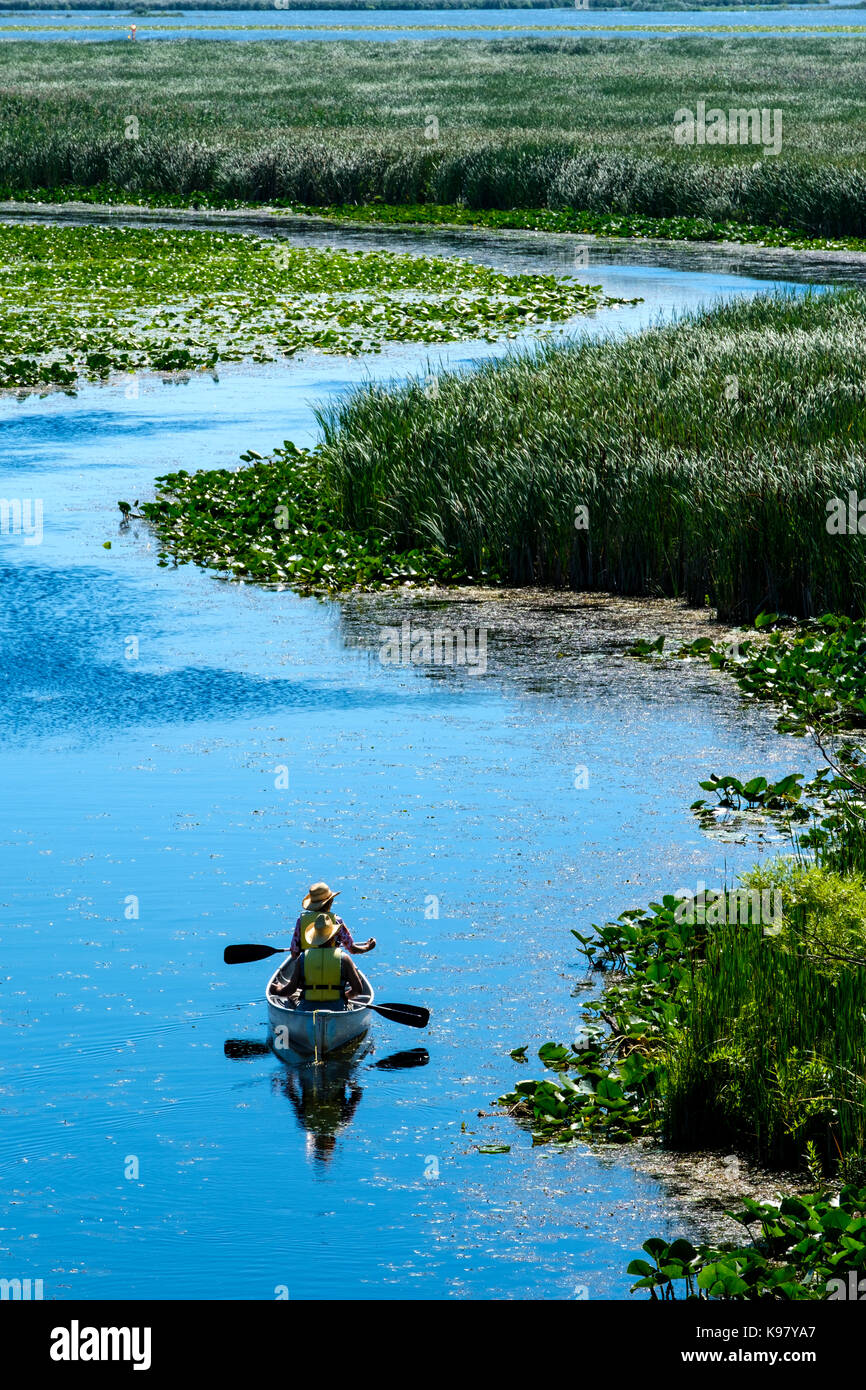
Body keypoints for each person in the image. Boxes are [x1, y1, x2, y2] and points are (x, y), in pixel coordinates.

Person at [272, 911, 367, 1011]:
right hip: (338, 1008)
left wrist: (277, 989)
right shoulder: (344, 958)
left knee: (294, 996)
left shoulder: (303, 958)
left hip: (307, 1009)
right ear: (333, 936)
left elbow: (289, 990)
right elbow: (358, 990)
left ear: (314, 937)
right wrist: (345, 996)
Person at [288, 881, 375, 960]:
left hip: (307, 966)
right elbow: (352, 949)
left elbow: (294, 952)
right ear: (330, 901)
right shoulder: (337, 921)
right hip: (332, 963)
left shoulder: (301, 921)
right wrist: (368, 947)